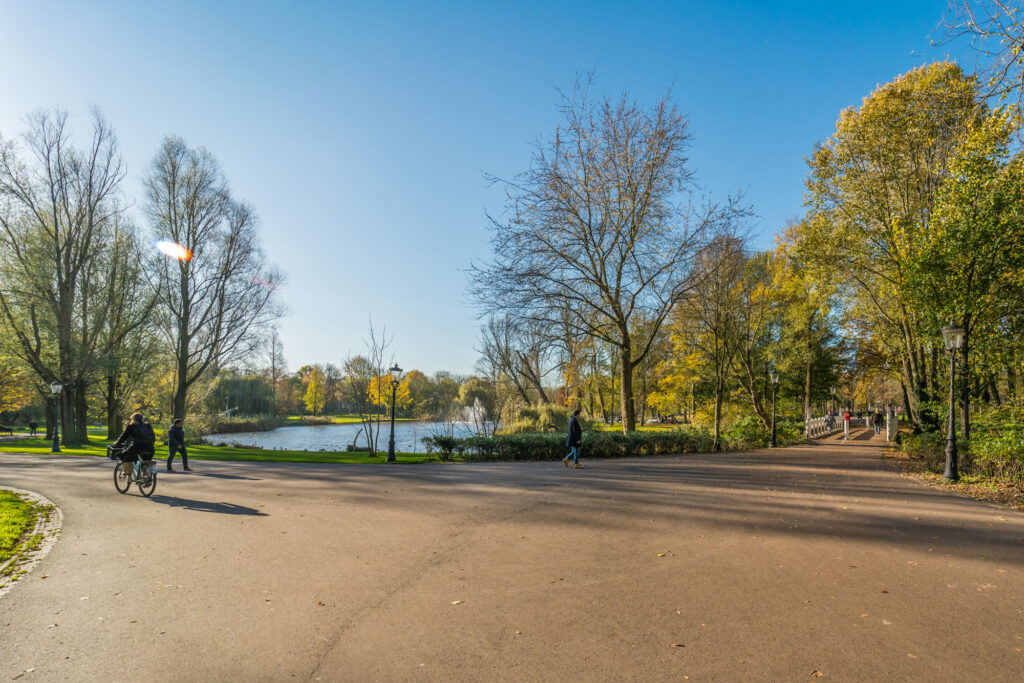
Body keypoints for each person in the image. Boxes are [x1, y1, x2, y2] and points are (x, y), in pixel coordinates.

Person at [113, 412, 157, 480]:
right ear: (142, 418)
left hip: (137, 446)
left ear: (133, 419)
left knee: (126, 455)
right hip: (150, 447)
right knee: (146, 461)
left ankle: (127, 472)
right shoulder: (148, 425)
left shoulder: (131, 426)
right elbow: (153, 436)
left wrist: (117, 443)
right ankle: (147, 478)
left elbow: (124, 436)